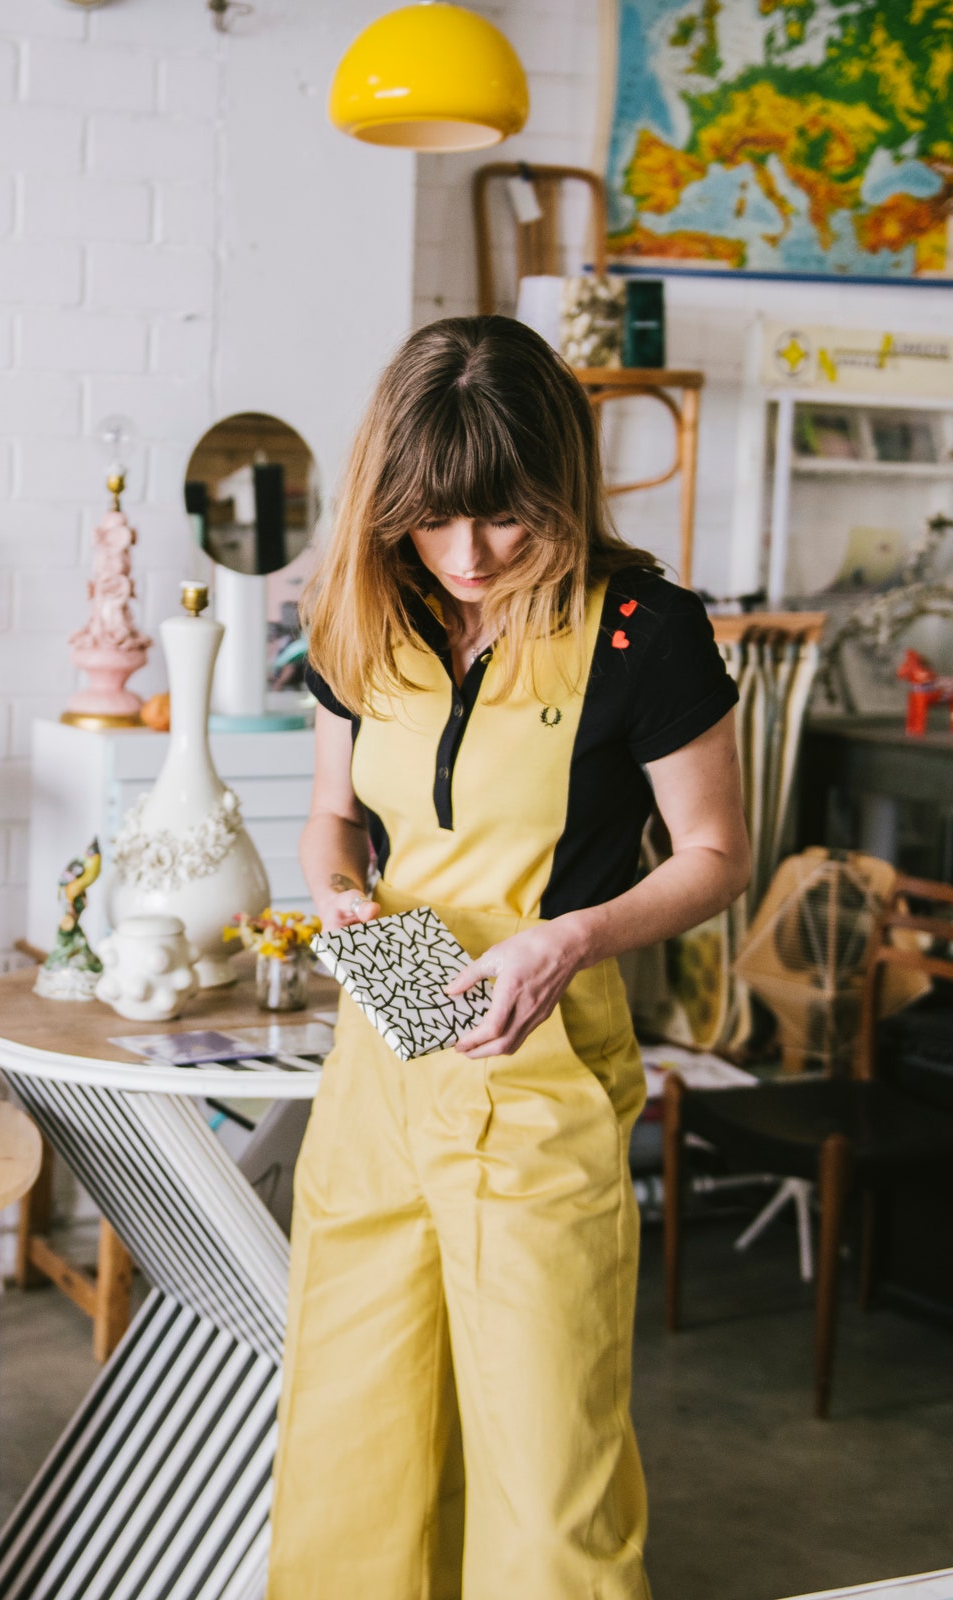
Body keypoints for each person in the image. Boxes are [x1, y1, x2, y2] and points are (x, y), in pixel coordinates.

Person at [268, 316, 749, 1600]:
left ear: (559, 489)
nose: (468, 555)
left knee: (549, 1475)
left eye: (504, 520)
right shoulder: (362, 608)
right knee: (348, 1445)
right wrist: (339, 894)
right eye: (434, 520)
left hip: (540, 1073)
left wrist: (574, 937)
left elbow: (714, 852)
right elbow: (331, 815)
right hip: (381, 1061)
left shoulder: (646, 629)